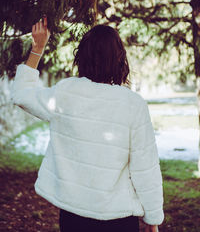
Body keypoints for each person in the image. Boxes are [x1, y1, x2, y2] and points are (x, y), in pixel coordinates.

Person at [11, 17, 164, 232]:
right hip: (119, 219)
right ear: (119, 59)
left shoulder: (66, 93)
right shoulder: (133, 104)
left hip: (74, 217)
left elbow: (21, 95)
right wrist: (153, 219)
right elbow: (145, 168)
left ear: (81, 57)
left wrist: (38, 48)